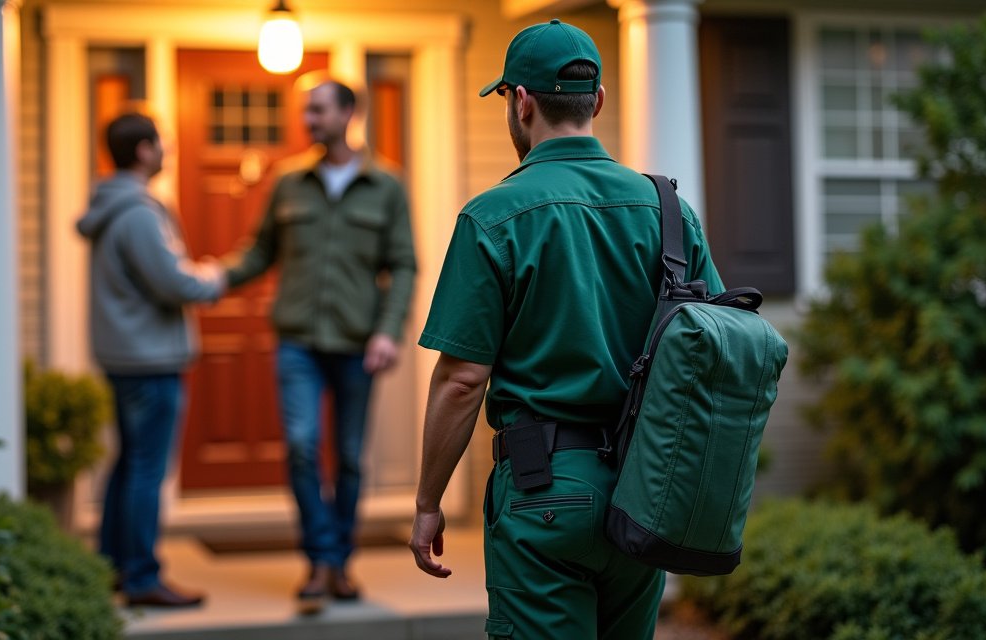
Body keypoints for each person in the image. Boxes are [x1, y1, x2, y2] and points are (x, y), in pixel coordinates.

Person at [408, 19, 724, 639]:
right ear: (598, 101)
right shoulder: (669, 211)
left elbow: (462, 381)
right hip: (645, 489)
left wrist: (427, 503)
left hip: (544, 489)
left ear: (520, 102)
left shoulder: (494, 215)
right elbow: (714, 349)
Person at [223, 77, 417, 612]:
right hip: (299, 343)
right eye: (306, 112)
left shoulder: (388, 185)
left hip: (358, 344)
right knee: (302, 448)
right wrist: (216, 280)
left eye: (318, 111)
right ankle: (319, 560)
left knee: (350, 458)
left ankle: (340, 564)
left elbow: (402, 264)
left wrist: (387, 330)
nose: (309, 120)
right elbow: (261, 251)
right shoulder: (288, 182)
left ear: (348, 114)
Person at [77, 112, 226, 608]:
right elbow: (173, 282)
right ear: (143, 150)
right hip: (149, 359)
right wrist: (216, 276)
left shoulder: (111, 204)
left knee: (129, 462)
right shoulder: (139, 211)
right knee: (147, 468)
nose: (167, 151)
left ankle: (112, 566)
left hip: (125, 355)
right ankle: (141, 576)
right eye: (162, 142)